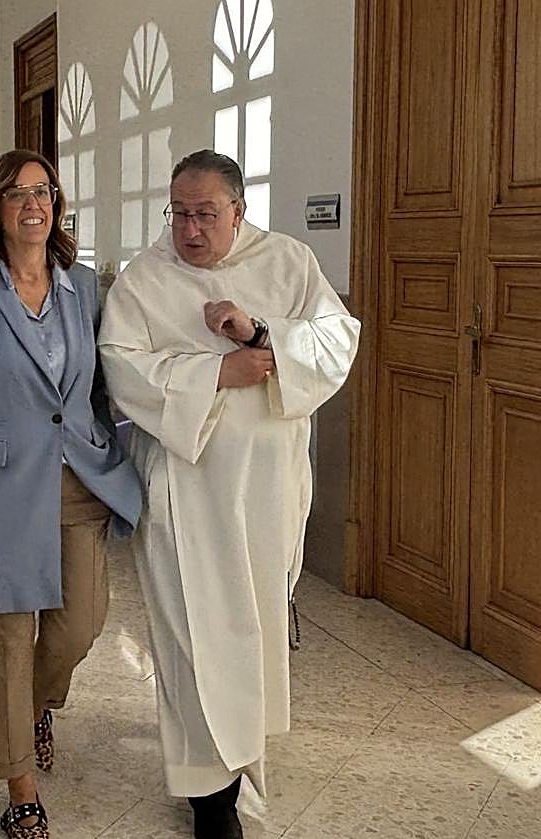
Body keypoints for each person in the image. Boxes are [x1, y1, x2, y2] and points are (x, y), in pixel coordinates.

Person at [97, 150, 360, 839]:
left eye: (205, 214)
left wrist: (262, 335)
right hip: (186, 492)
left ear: (238, 211)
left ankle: (241, 762)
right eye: (179, 213)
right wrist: (220, 374)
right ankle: (208, 798)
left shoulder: (289, 262)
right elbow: (124, 368)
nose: (189, 229)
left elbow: (337, 340)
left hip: (269, 491)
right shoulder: (144, 280)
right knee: (191, 638)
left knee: (252, 628)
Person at [0, 149, 143, 839]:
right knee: (5, 640)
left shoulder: (85, 288)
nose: (33, 204)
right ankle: (20, 786)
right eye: (16, 195)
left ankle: (34, 706)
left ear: (58, 206)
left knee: (82, 621)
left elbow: (102, 385)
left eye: (43, 192)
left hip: (75, 475)